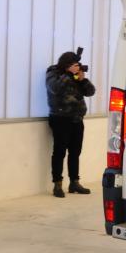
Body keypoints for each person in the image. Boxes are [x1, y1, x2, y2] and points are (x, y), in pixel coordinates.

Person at [46, 51, 96, 198]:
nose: (77, 68)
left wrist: (83, 80)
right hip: (60, 118)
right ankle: (57, 184)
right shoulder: (53, 72)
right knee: (59, 152)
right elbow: (54, 88)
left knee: (75, 152)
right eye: (74, 65)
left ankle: (74, 182)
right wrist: (68, 74)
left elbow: (91, 92)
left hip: (77, 119)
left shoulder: (75, 76)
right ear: (67, 64)